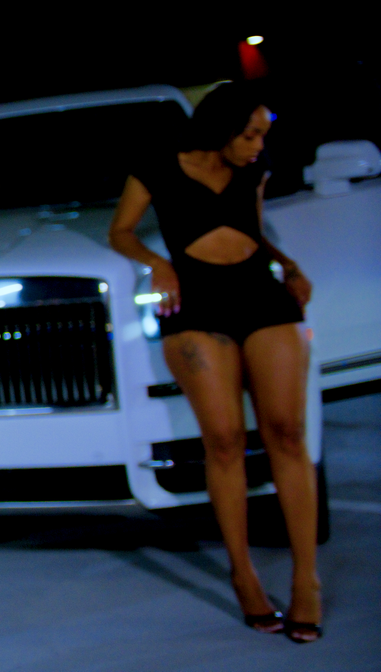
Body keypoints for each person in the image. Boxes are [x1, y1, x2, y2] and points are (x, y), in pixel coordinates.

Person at [108, 81, 321, 644]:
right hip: (196, 303)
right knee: (224, 442)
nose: (258, 146)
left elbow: (253, 228)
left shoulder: (254, 168)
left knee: (287, 432)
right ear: (221, 127)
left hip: (261, 295)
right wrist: (157, 264)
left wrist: (288, 264)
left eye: (263, 135)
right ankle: (244, 576)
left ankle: (306, 581)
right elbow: (120, 232)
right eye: (250, 134)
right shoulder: (157, 167)